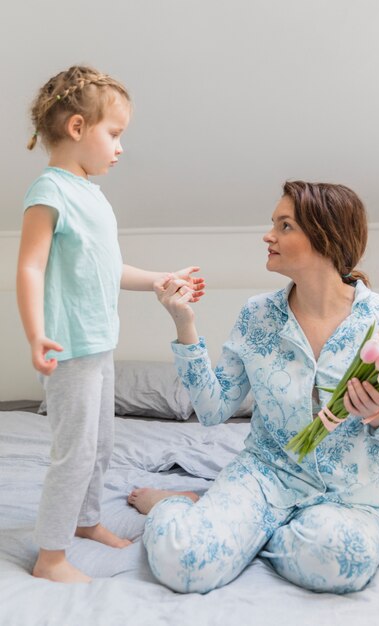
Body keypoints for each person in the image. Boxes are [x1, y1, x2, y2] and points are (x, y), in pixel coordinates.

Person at [128, 180, 379, 594]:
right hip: (263, 476)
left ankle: (234, 527)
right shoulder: (257, 316)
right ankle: (178, 507)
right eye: (273, 224)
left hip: (347, 493)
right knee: (183, 562)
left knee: (343, 564)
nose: (268, 235)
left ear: (326, 236)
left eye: (284, 226)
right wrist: (184, 323)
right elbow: (214, 411)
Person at [16, 65, 204, 584]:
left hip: (99, 346)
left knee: (100, 446)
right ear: (78, 128)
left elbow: (110, 268)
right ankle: (50, 556)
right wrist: (36, 333)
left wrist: (161, 278)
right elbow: (29, 267)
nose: (120, 148)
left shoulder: (94, 198)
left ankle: (85, 521)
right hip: (70, 350)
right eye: (114, 134)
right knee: (73, 452)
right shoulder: (48, 191)